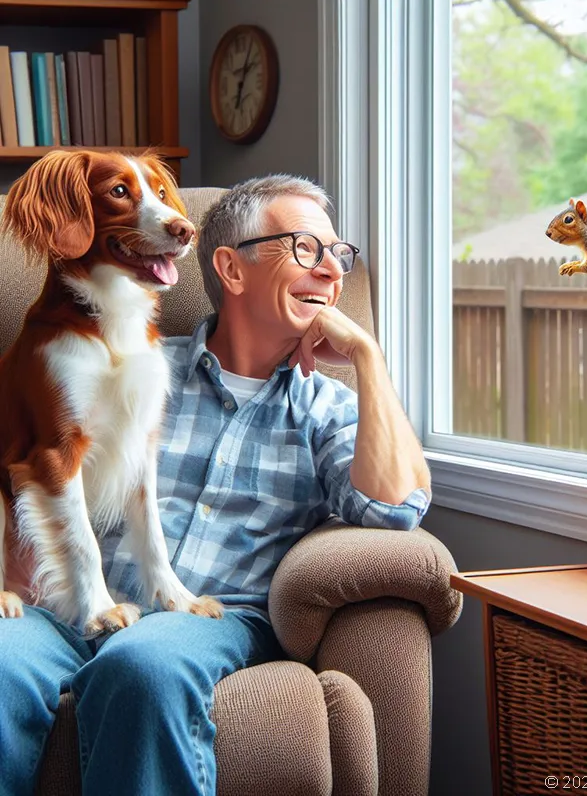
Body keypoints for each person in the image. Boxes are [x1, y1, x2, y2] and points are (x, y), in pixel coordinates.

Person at [0, 175, 431, 796]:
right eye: (306, 248)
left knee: (144, 663)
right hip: (67, 606)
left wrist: (367, 357)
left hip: (209, 618)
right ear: (231, 268)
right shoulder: (130, 361)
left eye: (338, 255)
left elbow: (394, 510)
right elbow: (34, 452)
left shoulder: (327, 409)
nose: (331, 272)